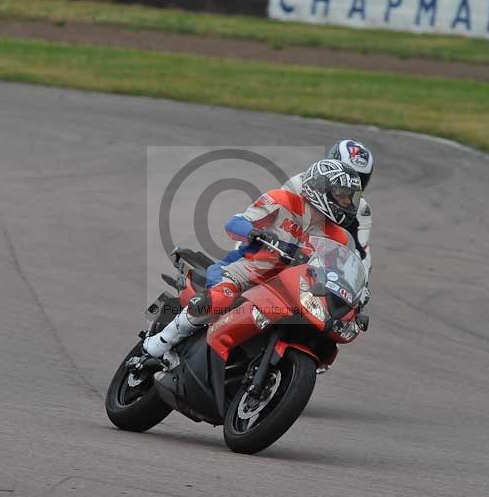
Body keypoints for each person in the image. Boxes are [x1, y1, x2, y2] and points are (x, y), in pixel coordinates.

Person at [143, 159, 363, 359]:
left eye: (350, 197)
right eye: (342, 194)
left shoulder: (339, 238)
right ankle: (163, 340)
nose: (347, 202)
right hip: (244, 270)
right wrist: (251, 232)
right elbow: (234, 223)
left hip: (287, 289)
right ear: (320, 188)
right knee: (220, 299)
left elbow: (337, 272)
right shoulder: (281, 201)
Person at [284, 139, 374, 274]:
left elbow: (361, 254)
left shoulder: (361, 208)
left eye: (359, 178)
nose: (352, 183)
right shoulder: (299, 184)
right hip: (281, 252)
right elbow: (271, 214)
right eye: (345, 175)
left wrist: (360, 282)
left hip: (320, 273)